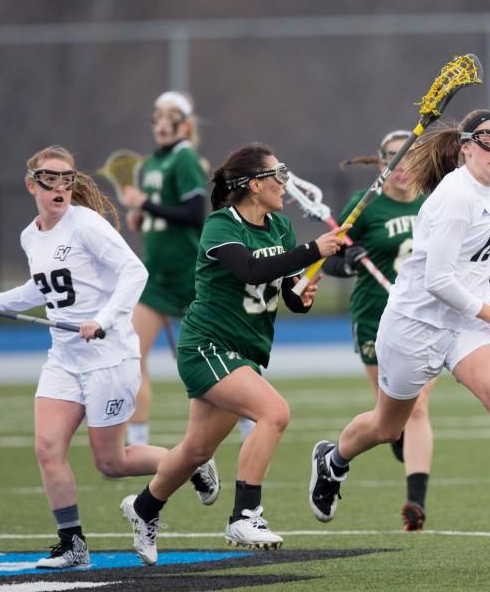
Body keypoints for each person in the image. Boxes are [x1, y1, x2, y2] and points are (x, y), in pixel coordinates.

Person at [308, 110, 490, 560]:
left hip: (465, 326)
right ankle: (332, 461)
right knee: (388, 428)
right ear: (466, 147)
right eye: (489, 140)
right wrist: (488, 309)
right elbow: (437, 280)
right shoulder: (453, 197)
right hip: (415, 325)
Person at [0, 146, 218, 570]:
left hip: (109, 358)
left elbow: (134, 271)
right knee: (47, 449)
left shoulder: (86, 225)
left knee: (111, 462)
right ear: (32, 184)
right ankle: (73, 545)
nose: (60, 186)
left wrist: (103, 319)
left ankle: (191, 461)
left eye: (67, 177)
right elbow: (41, 289)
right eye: (50, 178)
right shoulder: (31, 236)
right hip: (64, 358)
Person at [120, 143, 348, 565]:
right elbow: (251, 270)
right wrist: (315, 249)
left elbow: (288, 293)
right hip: (207, 345)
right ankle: (245, 514)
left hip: (245, 351)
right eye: (276, 176)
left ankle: (144, 508)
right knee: (274, 412)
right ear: (254, 185)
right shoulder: (221, 226)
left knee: (194, 452)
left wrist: (304, 294)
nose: (284, 184)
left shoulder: (279, 228)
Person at [322, 130, 436, 531]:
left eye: (408, 156)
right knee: (390, 424)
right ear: (380, 161)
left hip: (424, 319)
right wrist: (349, 260)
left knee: (418, 406)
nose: (400, 165)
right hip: (376, 318)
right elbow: (330, 261)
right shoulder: (365, 206)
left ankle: (415, 505)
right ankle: (334, 457)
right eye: (392, 157)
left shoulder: (433, 203)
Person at [119, 91, 208, 447]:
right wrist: (144, 218)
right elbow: (163, 213)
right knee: (130, 356)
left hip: (189, 274)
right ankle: (137, 443)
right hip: (155, 276)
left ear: (185, 124)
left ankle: (249, 423)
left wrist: (147, 205)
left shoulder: (184, 158)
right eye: (157, 115)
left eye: (171, 115)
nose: (162, 122)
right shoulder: (152, 164)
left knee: (209, 360)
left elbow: (193, 213)